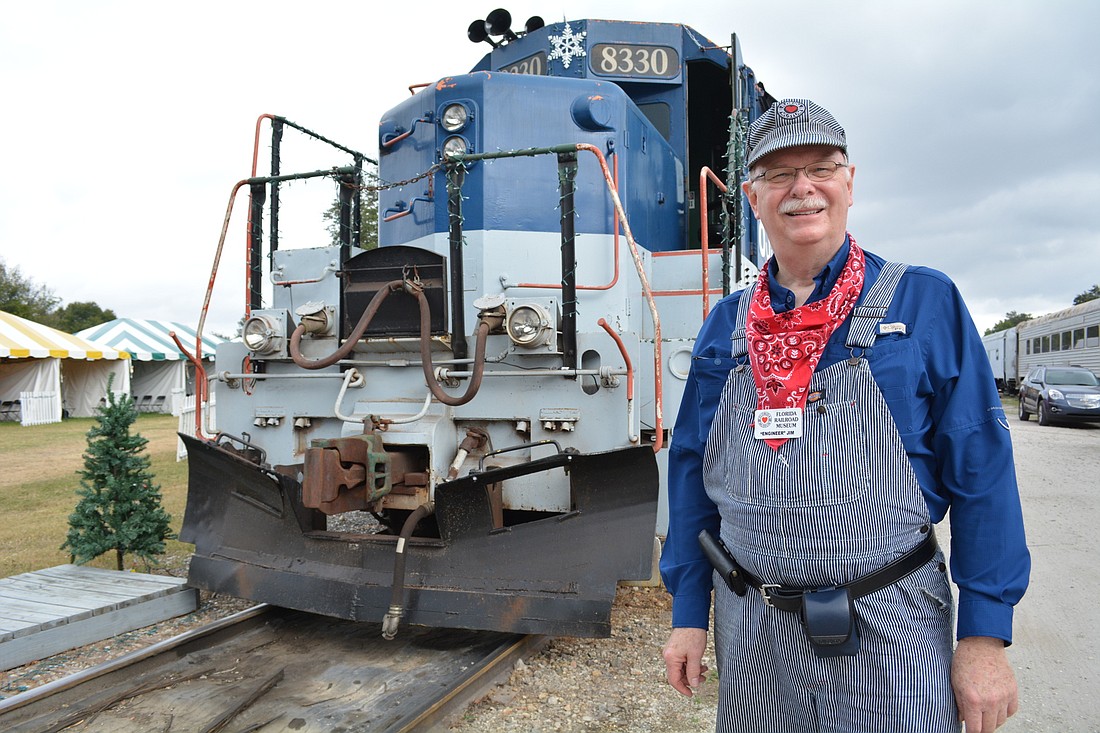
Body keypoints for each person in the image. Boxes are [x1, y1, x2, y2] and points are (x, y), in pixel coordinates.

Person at [659, 99, 1030, 733]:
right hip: (758, 633)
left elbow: (983, 476)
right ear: (752, 197)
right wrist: (690, 611)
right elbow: (693, 478)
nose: (802, 188)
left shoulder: (924, 301)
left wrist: (984, 639)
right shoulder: (727, 328)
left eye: (821, 167)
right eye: (778, 174)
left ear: (849, 183)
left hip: (895, 627)